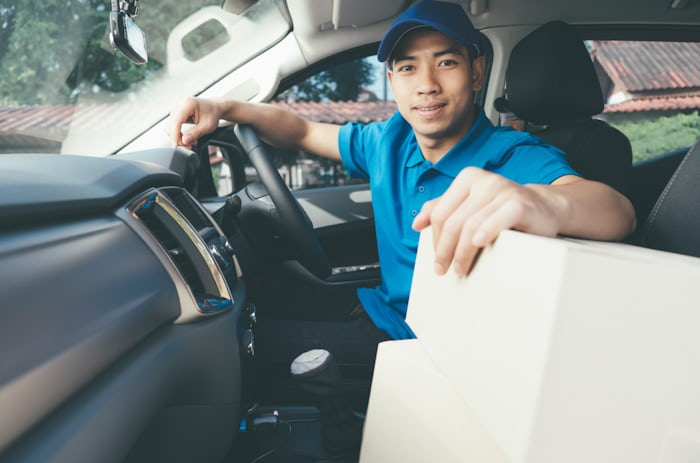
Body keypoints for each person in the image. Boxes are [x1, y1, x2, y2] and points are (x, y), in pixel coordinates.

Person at [169, 1, 635, 343]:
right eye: (408, 67)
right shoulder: (388, 141)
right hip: (380, 311)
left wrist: (538, 201)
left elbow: (617, 213)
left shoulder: (512, 156)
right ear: (392, 81)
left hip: (432, 345)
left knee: (243, 349)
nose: (427, 84)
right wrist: (225, 108)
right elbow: (299, 130)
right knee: (255, 314)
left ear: (476, 73)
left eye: (446, 63)